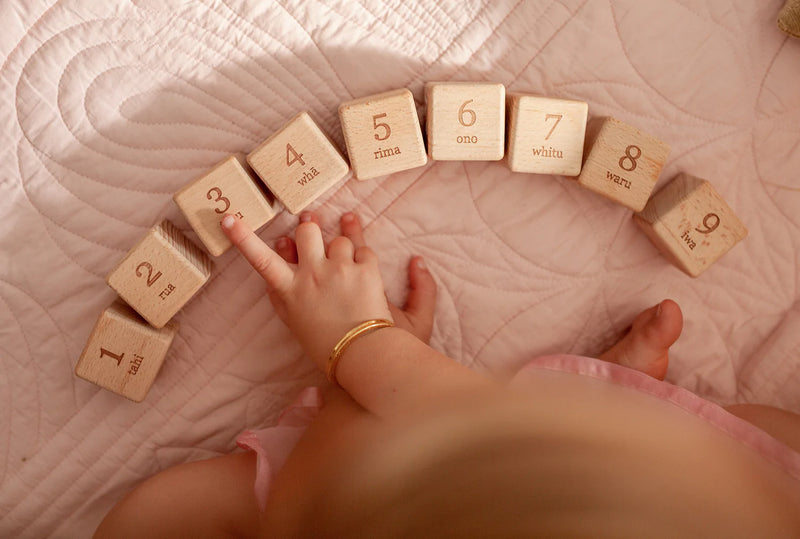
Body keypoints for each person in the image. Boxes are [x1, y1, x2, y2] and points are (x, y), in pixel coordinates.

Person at [95, 211, 800, 538]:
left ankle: (596, 412)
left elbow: (325, 493)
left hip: (347, 496)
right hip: (752, 488)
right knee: (765, 443)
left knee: (148, 518)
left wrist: (362, 350)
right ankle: (616, 407)